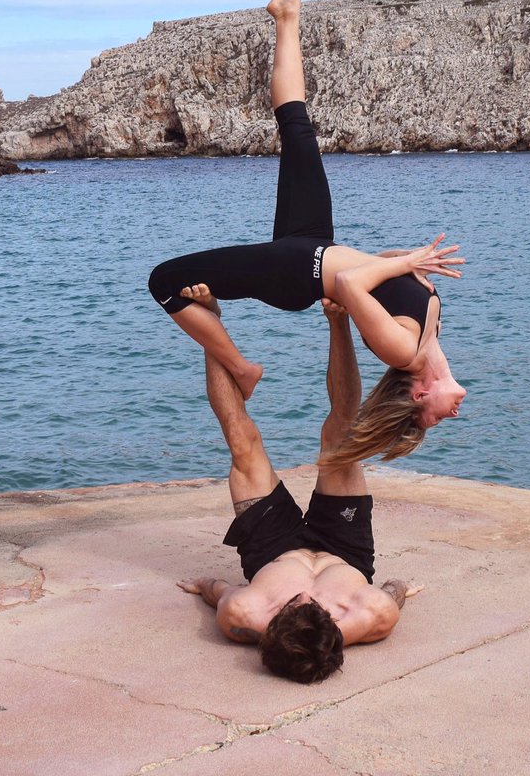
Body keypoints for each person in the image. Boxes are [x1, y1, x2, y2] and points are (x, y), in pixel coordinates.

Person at [149, 0, 466, 466]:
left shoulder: (402, 353)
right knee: (297, 126)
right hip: (316, 244)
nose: (449, 416)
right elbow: (369, 269)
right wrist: (400, 256)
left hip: (298, 273)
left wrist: (406, 265)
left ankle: (241, 367)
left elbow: (347, 285)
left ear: (418, 395)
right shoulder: (431, 328)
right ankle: (287, 15)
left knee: (163, 280)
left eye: (431, 420)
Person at [178, 290, 422, 682]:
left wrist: (201, 585)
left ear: (270, 629)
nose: (307, 596)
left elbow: (217, 589)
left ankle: (208, 320)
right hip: (344, 550)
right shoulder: (372, 615)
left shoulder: (242, 616)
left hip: (271, 550)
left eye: (293, 605)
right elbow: (393, 591)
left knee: (242, 443)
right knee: (343, 435)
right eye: (315, 606)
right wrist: (400, 589)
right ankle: (337, 317)